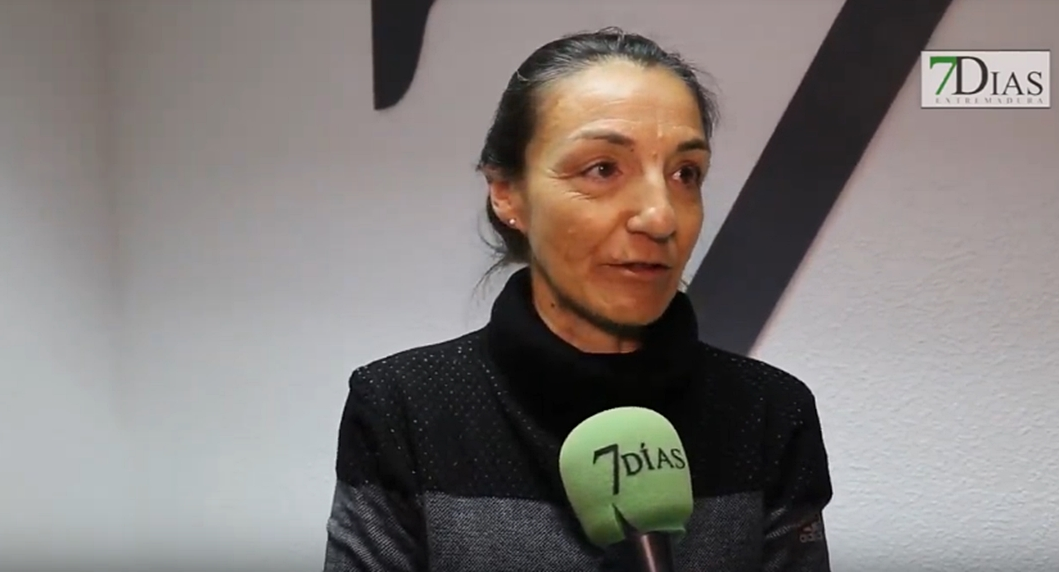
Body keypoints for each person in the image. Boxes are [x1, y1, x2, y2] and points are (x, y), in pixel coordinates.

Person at [323, 27, 833, 572]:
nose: (660, 216)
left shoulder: (769, 415)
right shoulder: (404, 408)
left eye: (685, 174)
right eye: (603, 169)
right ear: (507, 193)